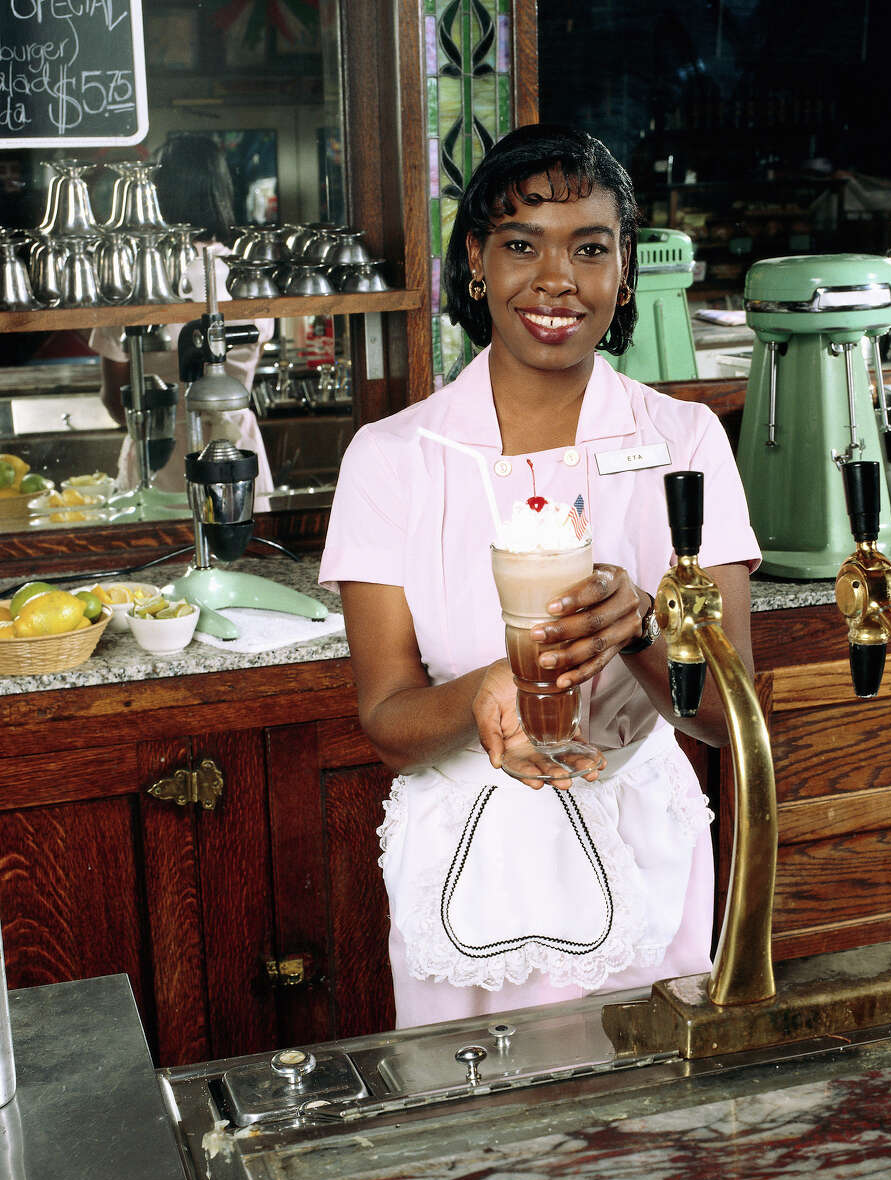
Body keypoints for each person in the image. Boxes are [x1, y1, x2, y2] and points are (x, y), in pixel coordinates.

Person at [319, 125, 761, 1029]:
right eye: (522, 245)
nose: (557, 280)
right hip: (463, 853)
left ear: (625, 270)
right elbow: (390, 724)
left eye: (589, 249)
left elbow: (727, 718)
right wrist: (490, 688)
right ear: (476, 262)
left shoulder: (685, 444)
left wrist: (643, 629)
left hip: (641, 844)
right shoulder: (394, 458)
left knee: (645, 1136)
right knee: (476, 1134)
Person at [91, 133, 274, 496]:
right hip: (235, 452)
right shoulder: (250, 276)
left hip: (157, 454)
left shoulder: (132, 278)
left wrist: (158, 422)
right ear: (223, 190)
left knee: (161, 549)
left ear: (155, 194)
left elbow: (115, 399)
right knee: (241, 548)